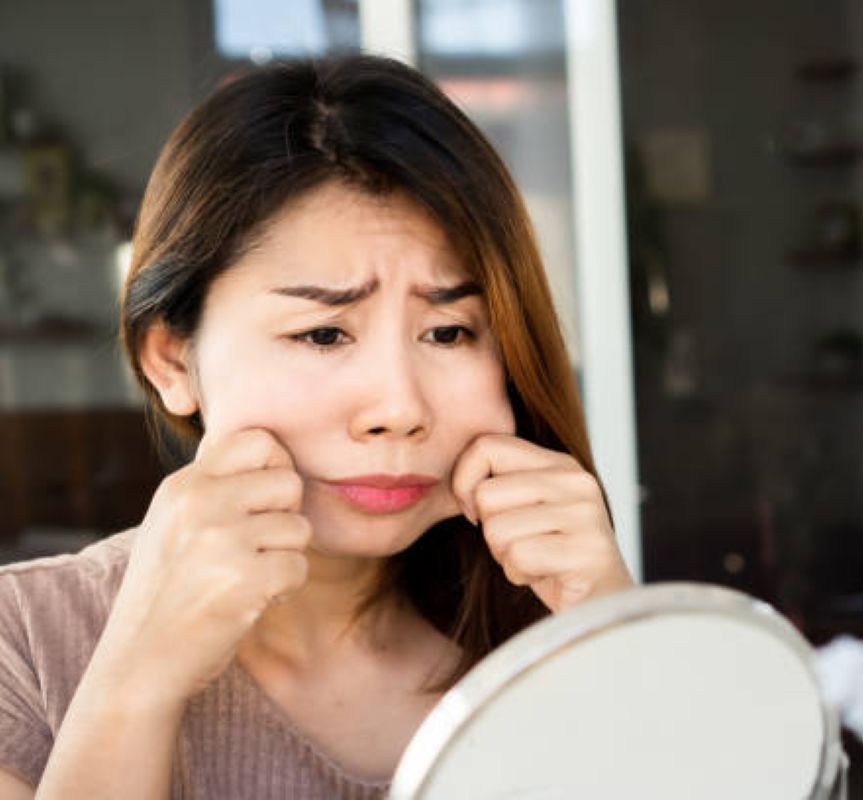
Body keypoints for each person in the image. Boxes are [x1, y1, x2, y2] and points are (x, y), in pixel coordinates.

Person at [0, 55, 634, 798]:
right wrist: (138, 676)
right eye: (324, 334)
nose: (398, 409)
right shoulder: (24, 643)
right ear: (171, 359)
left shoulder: (560, 636)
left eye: (449, 332)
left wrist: (621, 638)